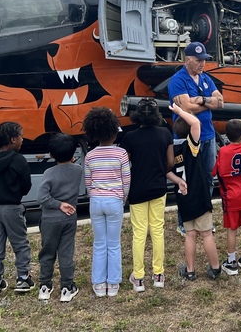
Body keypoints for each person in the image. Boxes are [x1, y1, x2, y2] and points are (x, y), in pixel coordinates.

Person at [120, 98, 174, 292]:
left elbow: (125, 165)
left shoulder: (130, 137)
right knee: (157, 230)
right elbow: (170, 162)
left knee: (139, 233)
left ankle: (139, 278)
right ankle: (159, 274)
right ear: (157, 115)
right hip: (159, 187)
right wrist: (160, 171)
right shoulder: (165, 133)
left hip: (138, 189)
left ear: (135, 116)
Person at [168, 103, 221, 281]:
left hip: (183, 197)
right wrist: (180, 111)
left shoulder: (171, 149)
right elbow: (196, 124)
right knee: (206, 233)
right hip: (199, 194)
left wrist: (178, 181)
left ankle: (190, 270)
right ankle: (215, 267)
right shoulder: (191, 146)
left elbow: (165, 170)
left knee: (190, 234)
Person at [0, 122, 33, 298]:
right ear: (13, 139)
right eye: (21, 136)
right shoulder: (19, 160)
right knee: (20, 243)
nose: (22, 140)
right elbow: (26, 186)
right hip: (12, 207)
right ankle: (23, 278)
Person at [84, 107, 130, 298]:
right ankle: (113, 283)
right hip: (114, 200)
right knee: (114, 243)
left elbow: (88, 183)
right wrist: (122, 197)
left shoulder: (90, 155)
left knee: (99, 243)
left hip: (96, 201)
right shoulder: (121, 154)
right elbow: (126, 180)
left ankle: (98, 283)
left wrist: (94, 195)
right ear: (114, 131)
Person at [168, 41, 224, 189]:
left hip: (208, 135)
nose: (203, 64)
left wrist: (200, 100)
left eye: (204, 60)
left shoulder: (206, 78)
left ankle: (206, 207)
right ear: (187, 60)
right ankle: (189, 210)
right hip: (187, 138)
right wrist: (209, 103)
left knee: (208, 175)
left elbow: (221, 102)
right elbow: (186, 109)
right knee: (189, 177)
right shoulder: (177, 80)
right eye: (199, 60)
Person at [37, 133, 83, 302]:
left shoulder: (49, 173)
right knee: (66, 253)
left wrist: (57, 204)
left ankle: (45, 286)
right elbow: (70, 167)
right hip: (69, 218)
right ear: (73, 154)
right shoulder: (77, 170)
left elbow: (41, 198)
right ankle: (67, 287)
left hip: (49, 219)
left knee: (47, 252)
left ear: (51, 154)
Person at [212, 118, 241, 275]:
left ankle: (231, 261)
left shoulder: (223, 151)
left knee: (232, 229)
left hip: (230, 196)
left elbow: (215, 171)